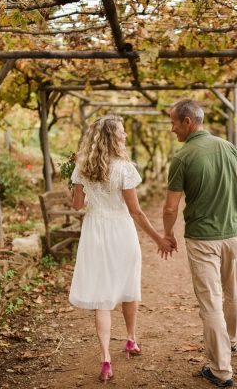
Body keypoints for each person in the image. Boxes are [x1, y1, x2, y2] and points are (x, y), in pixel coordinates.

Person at [69, 114, 172, 383]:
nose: (125, 136)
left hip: (94, 231)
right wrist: (158, 238)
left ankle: (105, 359)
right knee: (129, 287)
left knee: (102, 296)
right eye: (122, 132)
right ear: (113, 137)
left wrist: (75, 178)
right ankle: (130, 339)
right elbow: (136, 212)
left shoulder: (82, 167)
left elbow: (77, 206)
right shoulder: (125, 168)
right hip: (122, 231)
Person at [162, 99, 237, 387]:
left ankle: (221, 370)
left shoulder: (182, 157)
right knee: (233, 292)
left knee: (211, 302)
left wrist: (168, 234)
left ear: (188, 122)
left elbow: (170, 208)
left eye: (174, 123)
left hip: (203, 240)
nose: (171, 128)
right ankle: (231, 341)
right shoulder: (229, 148)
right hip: (232, 235)